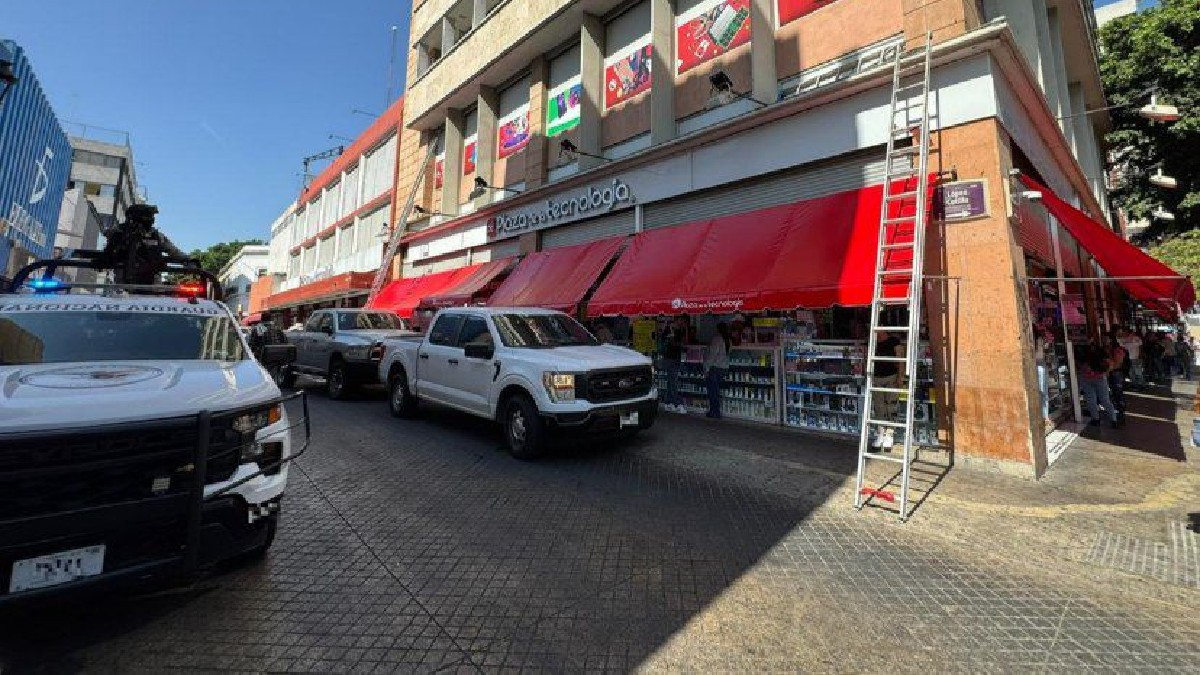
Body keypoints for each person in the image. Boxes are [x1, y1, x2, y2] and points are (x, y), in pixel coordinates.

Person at [871, 330, 905, 450]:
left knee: (891, 406)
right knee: (879, 407)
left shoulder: (894, 341)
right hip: (876, 378)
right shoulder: (872, 341)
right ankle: (880, 433)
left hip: (892, 377)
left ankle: (889, 434)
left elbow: (901, 360)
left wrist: (900, 377)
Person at [1077, 340, 1119, 428]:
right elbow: (1110, 364)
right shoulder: (1101, 351)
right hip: (1100, 377)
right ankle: (1113, 420)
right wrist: (1106, 373)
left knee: (1091, 400)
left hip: (1087, 378)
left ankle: (1096, 419)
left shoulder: (1081, 352)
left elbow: (1080, 366)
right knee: (1105, 400)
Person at [660, 315, 688, 413]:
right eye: (682, 320)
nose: (683, 322)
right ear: (677, 319)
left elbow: (685, 341)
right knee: (673, 381)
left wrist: (686, 330)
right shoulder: (670, 328)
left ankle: (668, 402)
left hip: (676, 358)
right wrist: (681, 344)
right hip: (669, 358)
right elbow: (672, 343)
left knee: (670, 381)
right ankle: (677, 403)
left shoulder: (680, 330)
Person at [703, 322, 731, 419]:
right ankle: (716, 411)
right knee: (717, 391)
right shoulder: (728, 340)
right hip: (724, 368)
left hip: (715, 368)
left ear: (718, 329)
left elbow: (712, 355)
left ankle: (714, 411)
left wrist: (706, 368)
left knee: (712, 391)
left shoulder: (717, 339)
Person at [1032, 323, 1051, 423]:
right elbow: (1046, 349)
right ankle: (1045, 416)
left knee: (1040, 391)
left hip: (1035, 364)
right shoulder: (1040, 340)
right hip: (1040, 365)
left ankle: (1042, 416)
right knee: (1043, 391)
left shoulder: (1036, 340)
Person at [1106, 333, 1127, 423]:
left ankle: (1120, 414)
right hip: (1114, 373)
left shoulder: (1117, 350)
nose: (1104, 341)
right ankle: (1118, 413)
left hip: (1116, 373)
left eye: (1106, 339)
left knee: (1118, 394)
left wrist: (1109, 368)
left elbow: (1117, 363)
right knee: (1115, 394)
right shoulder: (1110, 349)